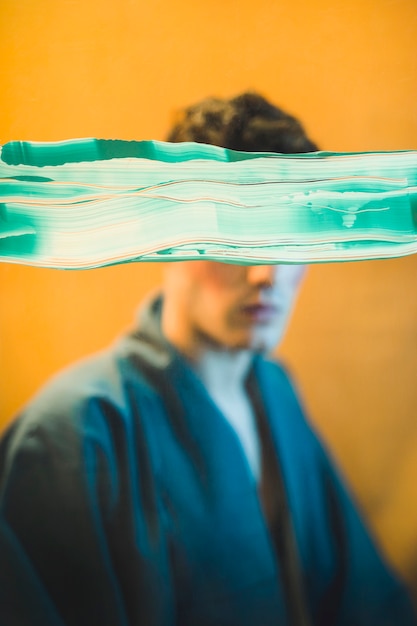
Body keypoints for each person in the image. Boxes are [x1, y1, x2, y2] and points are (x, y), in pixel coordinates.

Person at [0, 92, 415, 626]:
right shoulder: (70, 434)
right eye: (234, 233)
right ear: (164, 234)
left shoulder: (276, 393)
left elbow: (364, 600)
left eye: (291, 234)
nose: (267, 273)